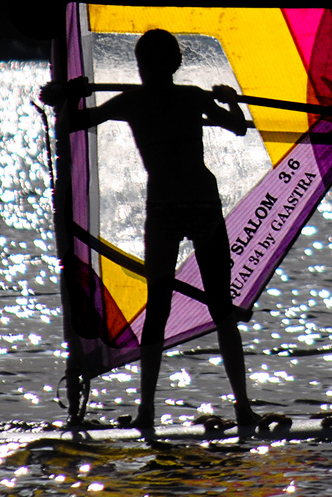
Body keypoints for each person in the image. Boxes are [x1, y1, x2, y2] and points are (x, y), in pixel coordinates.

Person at [42, 29, 259, 435]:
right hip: (174, 209)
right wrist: (66, 96)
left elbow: (236, 125)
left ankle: (235, 408)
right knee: (167, 313)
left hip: (194, 209)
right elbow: (74, 122)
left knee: (218, 310)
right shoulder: (153, 99)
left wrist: (68, 98)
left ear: (171, 66)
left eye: (152, 66)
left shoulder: (173, 98)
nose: (148, 73)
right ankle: (152, 412)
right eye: (144, 67)